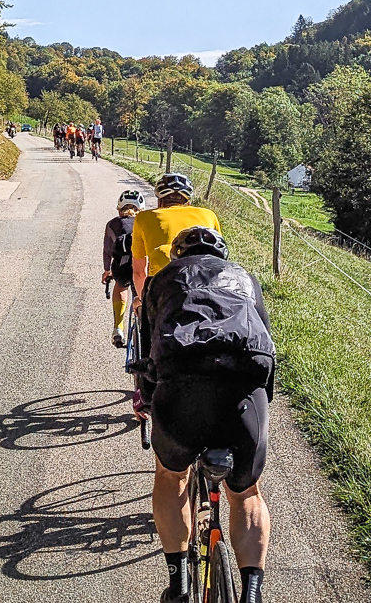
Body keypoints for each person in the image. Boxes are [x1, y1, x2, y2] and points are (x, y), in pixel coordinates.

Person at [138, 225, 274, 603]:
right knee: (246, 493)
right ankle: (251, 593)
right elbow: (266, 345)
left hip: (183, 387)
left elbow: (149, 350)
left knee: (171, 475)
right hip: (244, 391)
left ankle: (179, 584)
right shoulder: (246, 279)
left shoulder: (161, 280)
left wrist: (148, 402)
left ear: (178, 256)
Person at [130, 172, 221, 298]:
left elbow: (139, 272)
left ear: (159, 202)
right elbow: (219, 258)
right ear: (188, 202)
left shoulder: (143, 218)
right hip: (205, 285)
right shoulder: (209, 215)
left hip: (163, 288)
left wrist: (142, 301)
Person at [102, 192, 141, 346]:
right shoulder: (145, 222)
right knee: (142, 292)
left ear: (119, 209)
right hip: (142, 266)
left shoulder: (112, 224)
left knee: (120, 285)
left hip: (122, 267)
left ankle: (118, 328)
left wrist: (107, 271)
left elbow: (107, 250)